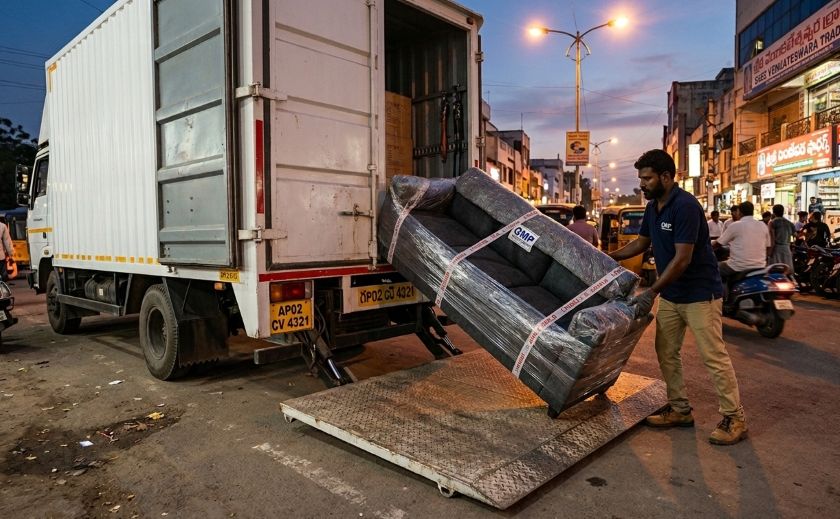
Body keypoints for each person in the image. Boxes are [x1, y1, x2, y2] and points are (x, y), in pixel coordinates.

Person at [609, 149, 747, 445]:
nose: (642, 184)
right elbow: (642, 243)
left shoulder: (685, 206)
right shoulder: (652, 207)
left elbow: (683, 259)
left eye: (647, 178)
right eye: (641, 179)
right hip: (672, 295)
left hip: (699, 294)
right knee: (666, 351)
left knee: (713, 356)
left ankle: (734, 417)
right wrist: (608, 257)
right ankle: (680, 409)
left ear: (666, 177)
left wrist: (652, 291)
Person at [715, 201, 771, 287]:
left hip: (737, 266)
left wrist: (709, 245)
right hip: (760, 266)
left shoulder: (735, 225)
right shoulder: (763, 225)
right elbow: (768, 247)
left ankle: (721, 296)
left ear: (739, 212)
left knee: (713, 268)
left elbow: (718, 243)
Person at [768, 204, 795, 271]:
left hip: (777, 250)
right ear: (783, 212)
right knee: (787, 271)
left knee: (775, 271)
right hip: (787, 249)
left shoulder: (772, 222)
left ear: (773, 212)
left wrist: (769, 253)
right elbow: (797, 235)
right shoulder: (789, 223)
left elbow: (772, 240)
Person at [0, 217, 14, 281]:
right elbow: (7, 242)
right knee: (3, 277)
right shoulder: (2, 226)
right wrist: (10, 254)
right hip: (0, 258)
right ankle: (2, 289)